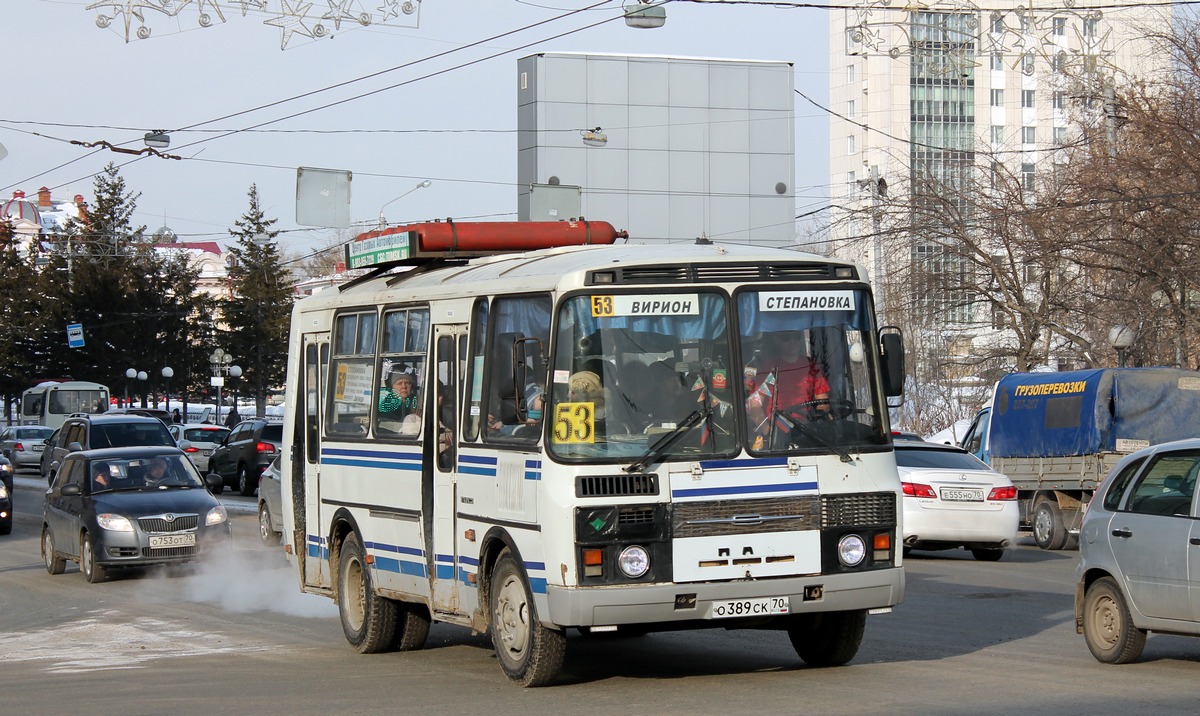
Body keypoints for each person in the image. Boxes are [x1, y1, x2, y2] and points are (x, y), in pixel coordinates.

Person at [746, 331, 830, 439]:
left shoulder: (812, 366)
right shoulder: (771, 370)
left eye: (796, 336)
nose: (792, 342)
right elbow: (755, 404)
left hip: (808, 429)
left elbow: (823, 402)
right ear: (777, 340)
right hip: (779, 429)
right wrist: (768, 432)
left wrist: (819, 422)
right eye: (786, 338)